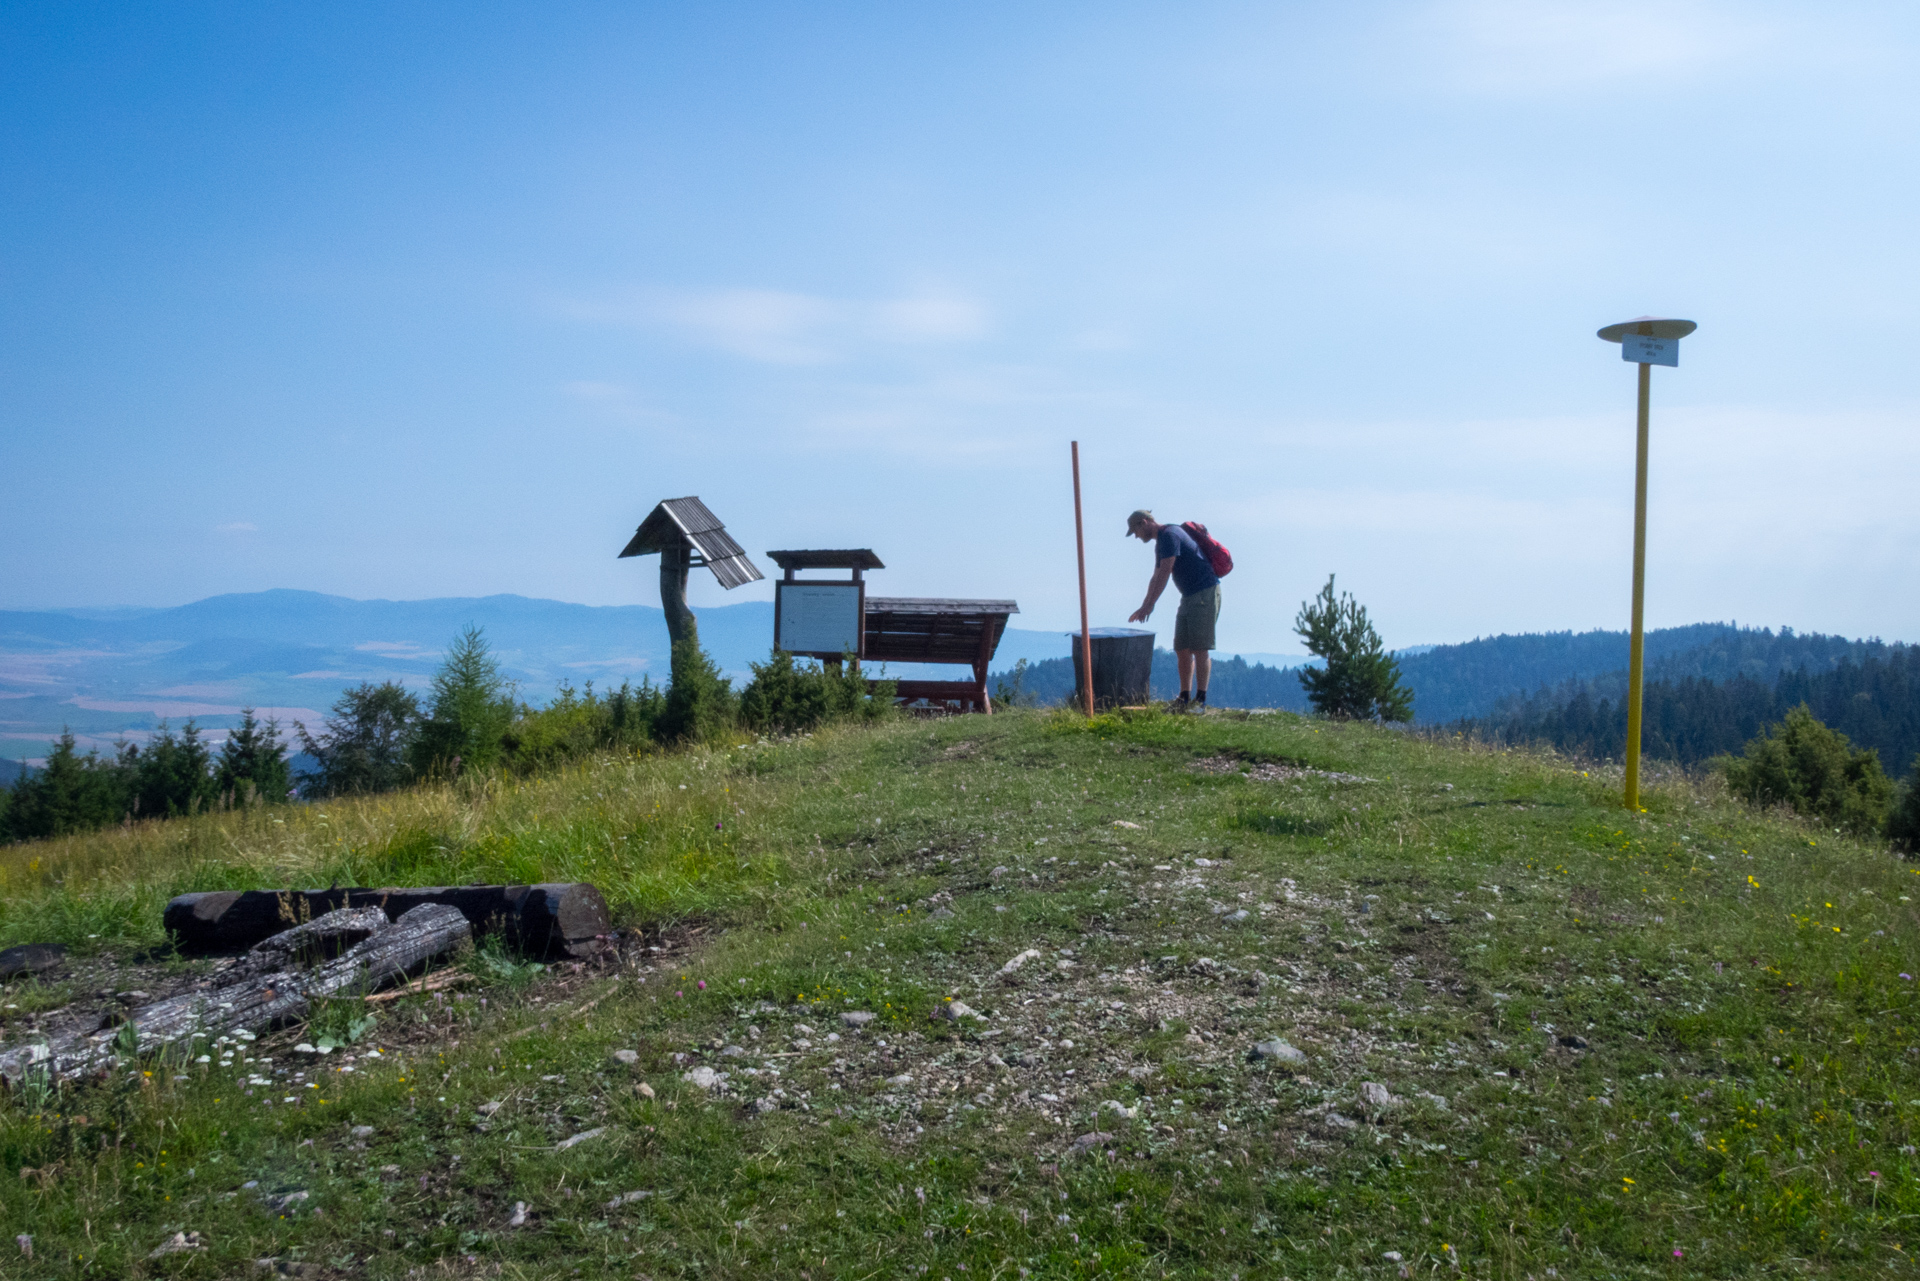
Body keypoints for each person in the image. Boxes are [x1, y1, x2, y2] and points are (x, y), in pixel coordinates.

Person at [1125, 509, 1220, 708]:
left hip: (1204, 592)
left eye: (1136, 531)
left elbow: (1166, 572)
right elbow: (1156, 576)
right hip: (1189, 596)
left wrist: (1150, 605)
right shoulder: (1162, 542)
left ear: (1144, 522)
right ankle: (1184, 698)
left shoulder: (1170, 535)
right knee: (1182, 648)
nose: (1136, 536)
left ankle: (1200, 701)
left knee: (1200, 648)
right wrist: (1144, 606)